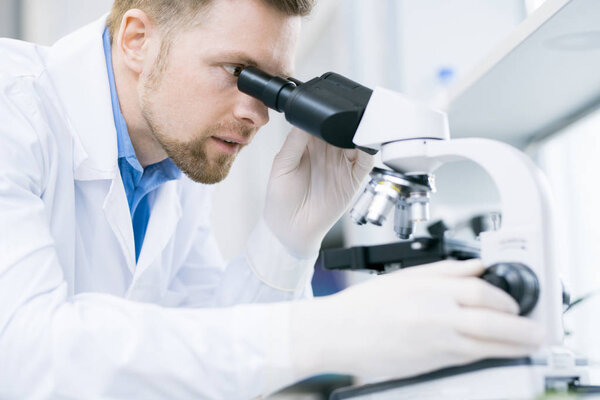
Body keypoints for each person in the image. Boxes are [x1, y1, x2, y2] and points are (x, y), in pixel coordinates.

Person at [0, 0, 544, 398]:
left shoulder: (168, 166)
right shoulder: (12, 108)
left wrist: (288, 239)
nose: (257, 114)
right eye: (239, 74)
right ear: (137, 39)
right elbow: (26, 356)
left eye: (272, 86)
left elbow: (212, 363)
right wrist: (333, 329)